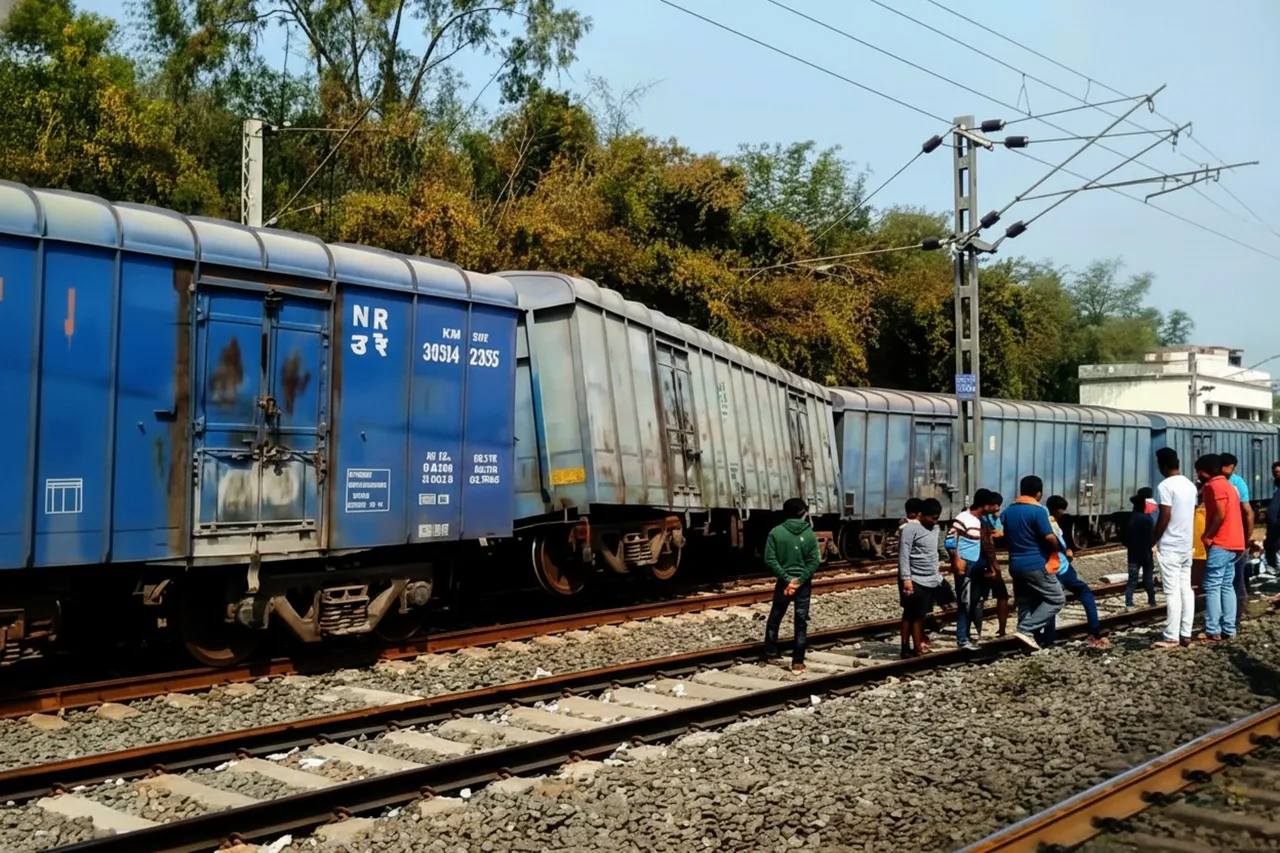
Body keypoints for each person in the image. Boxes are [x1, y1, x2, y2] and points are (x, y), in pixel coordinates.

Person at [1000, 475, 1065, 650]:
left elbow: (1001, 534)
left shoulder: (1008, 511)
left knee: (1025, 602)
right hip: (1035, 563)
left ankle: (1024, 642)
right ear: (1038, 493)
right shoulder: (1038, 511)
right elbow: (1049, 536)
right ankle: (1026, 630)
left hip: (1015, 565)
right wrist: (1057, 548)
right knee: (1057, 598)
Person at [762, 497, 821, 672]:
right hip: (803, 584)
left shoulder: (775, 532)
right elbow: (814, 561)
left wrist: (787, 579)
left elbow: (769, 559)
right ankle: (797, 661)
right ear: (803, 513)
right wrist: (799, 580)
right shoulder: (809, 533)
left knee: (775, 618)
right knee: (801, 620)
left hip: (783, 583)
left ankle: (771, 653)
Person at [1045, 496, 1111, 648]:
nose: (1063, 513)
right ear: (1056, 510)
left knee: (1051, 600)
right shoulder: (1052, 523)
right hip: (1059, 566)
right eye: (1061, 511)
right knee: (1084, 593)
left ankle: (1048, 639)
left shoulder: (1040, 519)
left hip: (1046, 568)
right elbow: (1058, 544)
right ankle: (1095, 631)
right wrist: (1067, 551)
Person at [1152, 448, 1198, 649]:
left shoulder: (1165, 486)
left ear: (1161, 466)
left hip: (1170, 545)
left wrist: (1153, 540)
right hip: (1187, 545)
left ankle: (1171, 636)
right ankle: (1186, 633)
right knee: (1186, 590)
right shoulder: (1190, 485)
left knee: (1171, 593)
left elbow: (1164, 516)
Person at [1196, 454, 1245, 642]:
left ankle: (1212, 630)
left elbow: (1219, 513)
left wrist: (1208, 535)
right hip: (1234, 542)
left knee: (1213, 586)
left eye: (1198, 471)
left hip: (1221, 542)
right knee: (1226, 586)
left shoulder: (1213, 486)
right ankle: (1229, 629)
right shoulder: (1229, 486)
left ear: (1203, 470)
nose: (1198, 475)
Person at [898, 497, 947, 657]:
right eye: (932, 517)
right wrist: (906, 579)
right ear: (921, 514)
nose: (935, 521)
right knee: (912, 614)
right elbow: (904, 555)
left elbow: (933, 553)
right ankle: (910, 648)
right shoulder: (910, 529)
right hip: (913, 578)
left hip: (930, 578)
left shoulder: (935, 529)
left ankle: (916, 645)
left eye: (937, 518)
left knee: (919, 614)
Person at [949, 489, 990, 650]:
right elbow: (951, 540)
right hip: (965, 564)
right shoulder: (963, 518)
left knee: (974, 601)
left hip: (977, 566)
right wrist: (957, 559)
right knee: (964, 603)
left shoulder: (981, 520)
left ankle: (969, 635)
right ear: (984, 505)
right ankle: (961, 638)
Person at [1220, 453, 1255, 633]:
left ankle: (1235, 619)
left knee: (1236, 579)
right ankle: (1228, 619)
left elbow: (1247, 511)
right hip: (1225, 539)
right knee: (1227, 580)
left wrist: (1246, 539)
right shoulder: (1219, 482)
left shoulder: (1237, 483)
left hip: (1236, 538)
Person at [971, 491, 1010, 640]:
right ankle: (1000, 630)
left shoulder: (972, 517)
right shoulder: (983, 521)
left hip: (977, 563)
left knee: (978, 598)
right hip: (985, 564)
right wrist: (994, 566)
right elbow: (987, 545)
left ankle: (972, 632)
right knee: (1001, 595)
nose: (996, 508)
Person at [1124, 492, 1157, 608]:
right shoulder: (1148, 519)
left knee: (1132, 579)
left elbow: (1124, 537)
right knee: (1148, 579)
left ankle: (1129, 602)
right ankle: (1152, 601)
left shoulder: (1130, 518)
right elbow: (1152, 536)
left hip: (1133, 553)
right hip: (1146, 553)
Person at [1265, 461, 1280, 574]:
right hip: (1274, 532)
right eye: (1275, 472)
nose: (1277, 475)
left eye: (1279, 472)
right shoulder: (1277, 490)